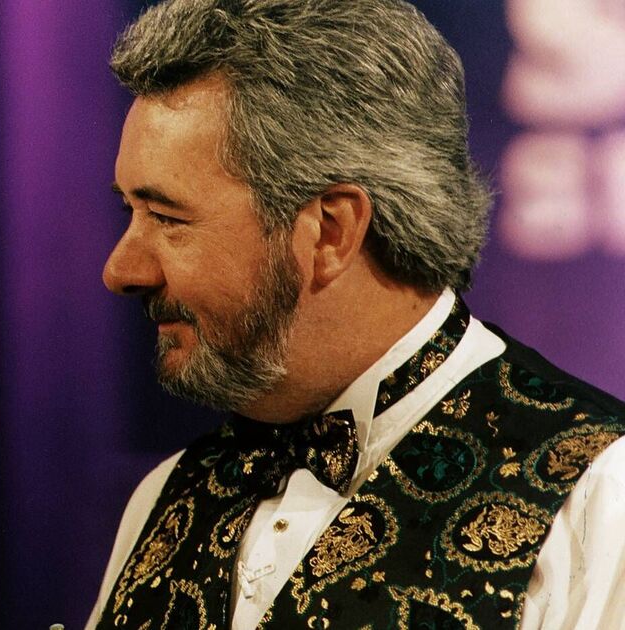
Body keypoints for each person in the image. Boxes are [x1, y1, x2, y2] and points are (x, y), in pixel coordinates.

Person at [86, 1, 625, 629]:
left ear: (331, 232)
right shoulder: (164, 497)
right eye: (129, 211)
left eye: (167, 218)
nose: (121, 270)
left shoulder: (598, 499)